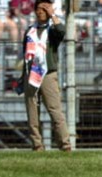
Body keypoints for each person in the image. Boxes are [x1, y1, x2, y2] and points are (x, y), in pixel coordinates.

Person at [21, 0, 71, 151]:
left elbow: (62, 31)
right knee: (32, 111)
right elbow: (25, 54)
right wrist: (23, 75)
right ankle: (37, 145)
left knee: (55, 110)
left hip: (48, 74)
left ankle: (65, 145)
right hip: (31, 74)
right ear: (35, 11)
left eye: (45, 8)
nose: (42, 11)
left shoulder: (52, 30)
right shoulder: (30, 30)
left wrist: (53, 15)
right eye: (39, 8)